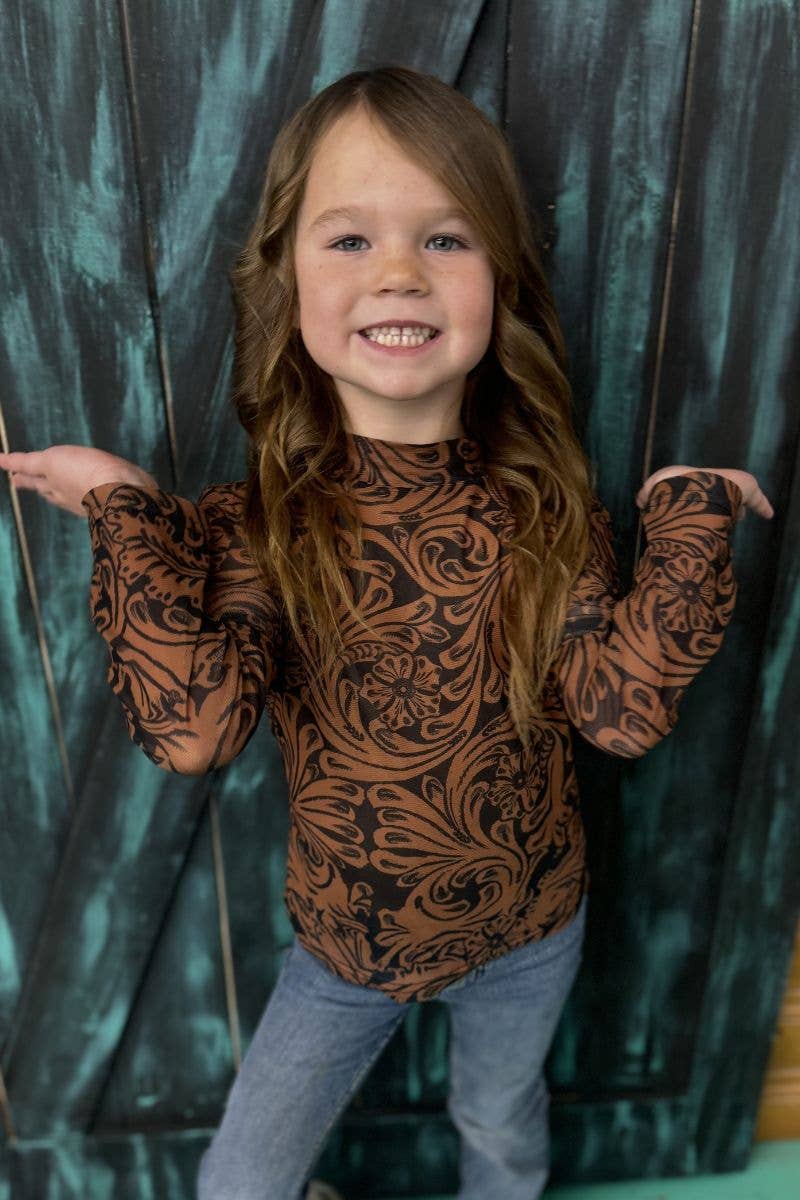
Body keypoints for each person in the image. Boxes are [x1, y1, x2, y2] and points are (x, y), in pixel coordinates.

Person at [0, 65, 774, 1200]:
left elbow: (618, 714)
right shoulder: (260, 525)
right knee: (240, 1185)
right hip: (341, 955)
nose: (401, 272)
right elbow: (194, 729)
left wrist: (687, 517)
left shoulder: (544, 516)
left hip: (529, 932)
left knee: (499, 1132)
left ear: (501, 284)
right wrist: (123, 509)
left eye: (447, 240)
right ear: (288, 280)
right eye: (349, 240)